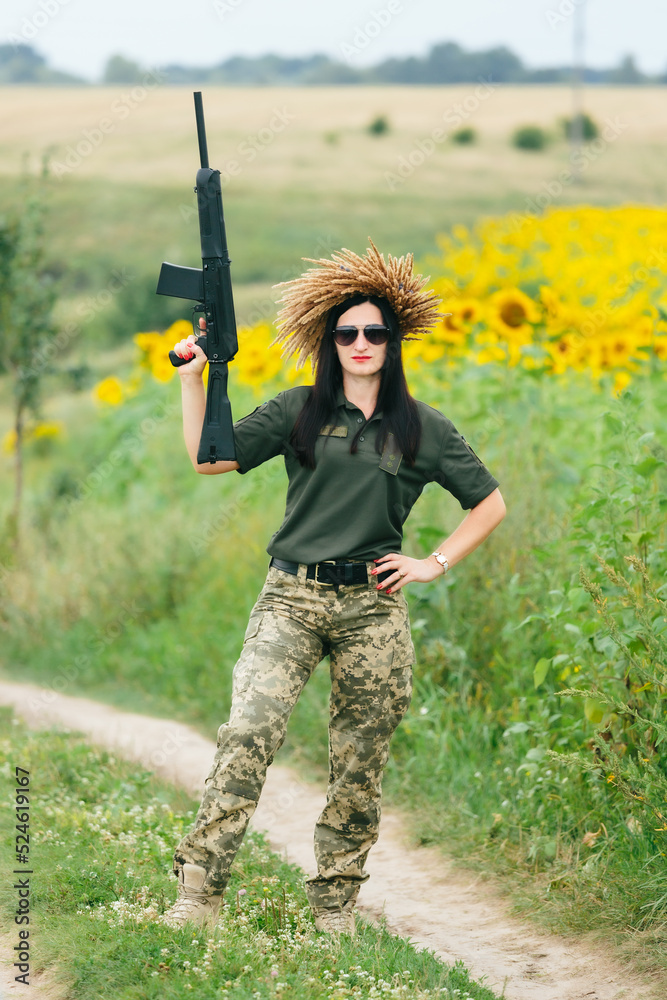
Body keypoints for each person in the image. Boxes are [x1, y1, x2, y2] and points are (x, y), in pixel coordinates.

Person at [161, 241, 506, 936]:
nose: (359, 342)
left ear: (392, 342)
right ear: (330, 341)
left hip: (371, 611)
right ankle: (198, 895)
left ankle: (334, 906)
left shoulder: (421, 427)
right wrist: (193, 377)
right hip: (290, 597)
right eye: (346, 332)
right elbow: (209, 460)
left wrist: (430, 564)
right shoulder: (298, 410)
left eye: (374, 332)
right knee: (248, 732)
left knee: (359, 761)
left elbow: (489, 503)